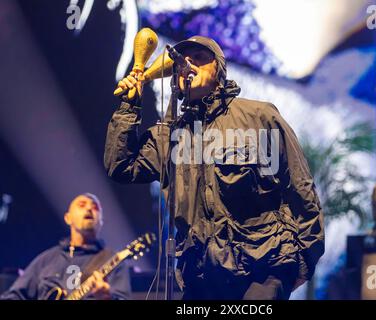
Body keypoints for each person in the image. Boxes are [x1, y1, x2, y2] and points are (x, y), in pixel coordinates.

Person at [105, 36, 324, 300]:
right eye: (182, 60)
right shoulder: (170, 134)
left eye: (198, 57)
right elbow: (122, 167)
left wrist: (304, 260)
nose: (187, 63)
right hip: (200, 274)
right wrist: (130, 106)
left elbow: (300, 188)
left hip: (263, 266)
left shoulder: (259, 117)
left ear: (218, 70)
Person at [1, 193, 131, 300]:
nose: (89, 209)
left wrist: (108, 298)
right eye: (82, 205)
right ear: (68, 218)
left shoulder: (113, 260)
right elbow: (14, 296)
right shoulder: (46, 259)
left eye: (95, 207)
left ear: (101, 221)